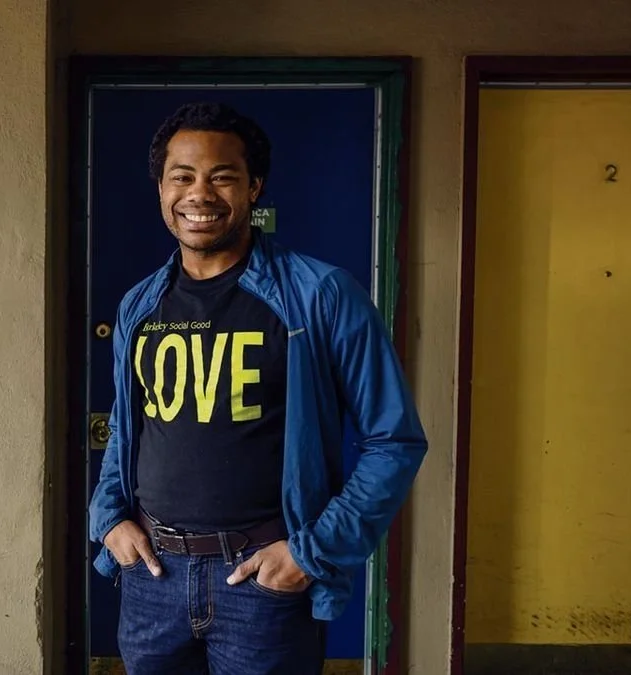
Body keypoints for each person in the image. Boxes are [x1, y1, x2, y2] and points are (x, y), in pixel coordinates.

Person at [88, 101, 428, 675]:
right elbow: (129, 424)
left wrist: (308, 553)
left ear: (254, 188)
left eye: (223, 176)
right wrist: (109, 519)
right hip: (152, 578)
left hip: (262, 584)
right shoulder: (139, 304)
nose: (200, 194)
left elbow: (393, 440)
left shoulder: (320, 295)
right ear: (161, 190)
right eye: (182, 177)